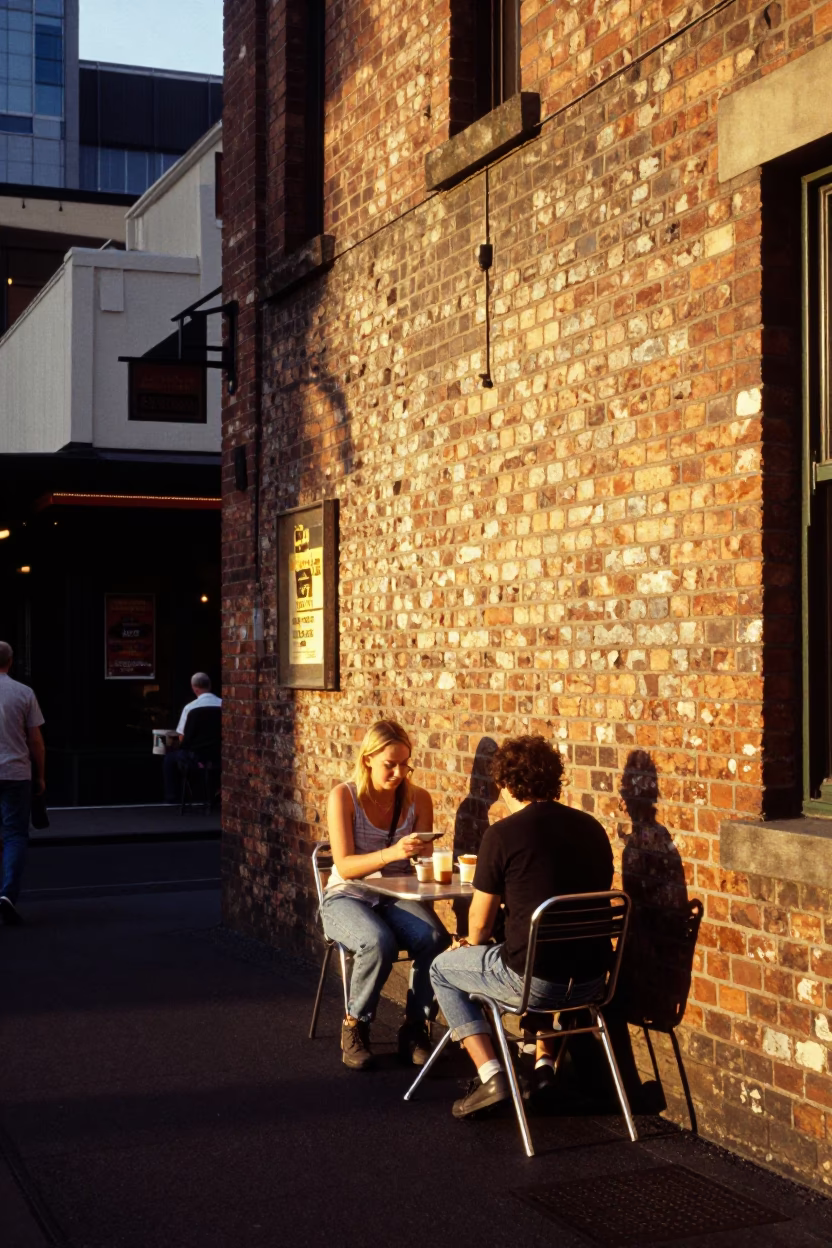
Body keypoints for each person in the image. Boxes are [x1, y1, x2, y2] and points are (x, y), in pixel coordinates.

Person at [429, 734, 613, 1118]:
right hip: (593, 980)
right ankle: (544, 1070)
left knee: (442, 970)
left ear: (505, 783)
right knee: (542, 951)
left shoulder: (501, 835)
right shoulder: (592, 828)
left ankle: (491, 1073)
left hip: (536, 982)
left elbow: (479, 927)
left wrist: (464, 943)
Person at [322, 720, 451, 1071]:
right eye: (389, 764)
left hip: (394, 895)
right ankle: (356, 1023)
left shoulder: (418, 798)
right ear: (368, 760)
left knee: (436, 937)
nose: (398, 773)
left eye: (405, 764)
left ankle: (415, 1028)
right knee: (378, 942)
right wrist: (394, 852)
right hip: (346, 896)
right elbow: (345, 867)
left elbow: (421, 863)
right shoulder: (344, 796)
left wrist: (427, 858)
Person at [0, 641, 45, 926]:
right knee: (15, 835)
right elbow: (36, 740)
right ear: (11, 661)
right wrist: (40, 774)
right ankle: (6, 895)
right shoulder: (23, 692)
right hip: (16, 772)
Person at [163, 673, 221, 803]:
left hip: (196, 755)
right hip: (219, 753)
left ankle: (172, 797)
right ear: (210, 685)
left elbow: (182, 737)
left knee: (169, 759)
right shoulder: (222, 704)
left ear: (194, 688)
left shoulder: (190, 707)